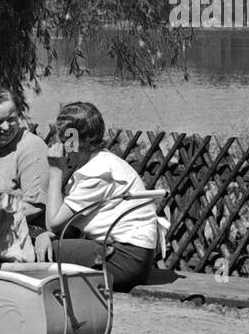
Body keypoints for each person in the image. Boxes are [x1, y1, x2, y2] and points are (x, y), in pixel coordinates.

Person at [41, 100, 161, 291]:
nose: (60, 144)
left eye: (64, 139)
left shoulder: (96, 173)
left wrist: (55, 171)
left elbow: (53, 223)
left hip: (123, 259)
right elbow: (66, 225)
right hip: (128, 256)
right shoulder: (100, 163)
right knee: (43, 243)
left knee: (42, 251)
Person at [0, 88, 51, 231]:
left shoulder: (32, 148)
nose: (6, 127)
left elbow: (35, 206)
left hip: (26, 231)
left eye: (11, 119)